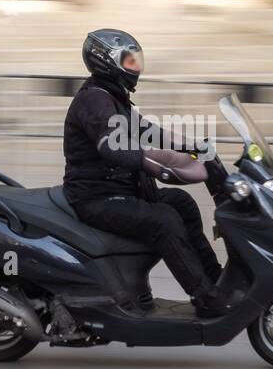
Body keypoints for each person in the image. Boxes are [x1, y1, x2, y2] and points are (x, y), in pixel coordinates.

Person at [62, 28, 228, 316]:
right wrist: (156, 164)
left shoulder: (114, 98)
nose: (136, 68)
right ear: (107, 61)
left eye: (136, 61)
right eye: (129, 62)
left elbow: (148, 131)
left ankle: (216, 280)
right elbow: (111, 148)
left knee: (182, 204)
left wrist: (194, 146)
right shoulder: (94, 101)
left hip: (121, 192)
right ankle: (205, 297)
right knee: (163, 220)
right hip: (96, 198)